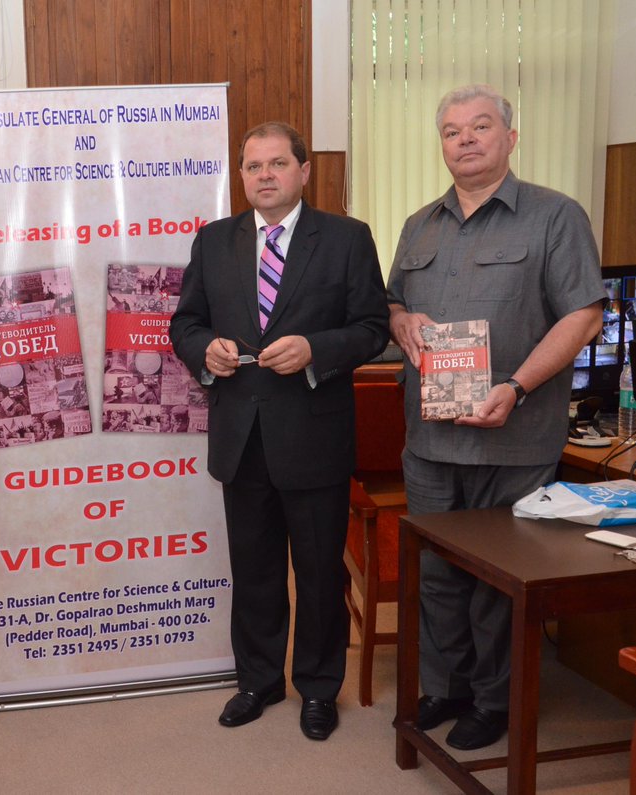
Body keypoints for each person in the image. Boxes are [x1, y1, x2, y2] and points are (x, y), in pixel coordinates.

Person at [387, 84, 605, 750]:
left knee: (498, 581)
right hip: (430, 440)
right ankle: (445, 686)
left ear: (510, 137)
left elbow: (583, 316)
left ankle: (494, 700)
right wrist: (402, 321)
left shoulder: (555, 216)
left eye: (480, 127)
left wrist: (516, 385)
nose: (466, 139)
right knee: (436, 576)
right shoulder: (418, 225)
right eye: (452, 131)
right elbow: (392, 304)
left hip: (514, 438)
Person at [170, 121, 389, 740]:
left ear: (304, 170)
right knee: (255, 572)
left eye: (277, 163)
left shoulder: (346, 238)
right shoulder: (215, 240)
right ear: (241, 174)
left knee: (319, 574)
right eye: (253, 166)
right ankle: (258, 681)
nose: (264, 175)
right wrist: (204, 351)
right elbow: (185, 322)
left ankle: (318, 688)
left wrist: (316, 349)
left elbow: (372, 327)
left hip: (314, 437)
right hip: (241, 437)